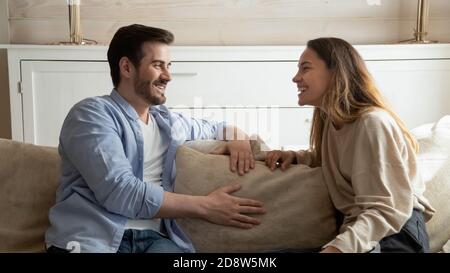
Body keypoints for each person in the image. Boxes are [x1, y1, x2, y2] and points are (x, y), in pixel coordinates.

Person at [45, 24, 265, 253]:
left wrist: (238, 138)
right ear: (127, 67)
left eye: (169, 66)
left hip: (154, 240)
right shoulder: (92, 114)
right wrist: (205, 206)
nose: (168, 76)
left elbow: (219, 127)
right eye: (157, 65)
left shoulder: (168, 123)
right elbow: (120, 192)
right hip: (91, 240)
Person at [265, 37, 435, 253]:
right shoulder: (332, 123)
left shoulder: (373, 123)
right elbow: (342, 159)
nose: (295, 78)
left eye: (305, 68)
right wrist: (295, 156)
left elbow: (386, 210)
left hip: (395, 236)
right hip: (363, 235)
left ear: (335, 72)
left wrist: (337, 249)